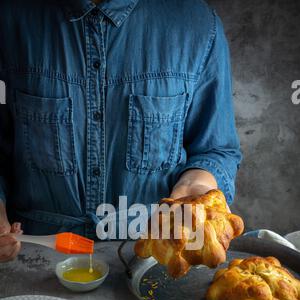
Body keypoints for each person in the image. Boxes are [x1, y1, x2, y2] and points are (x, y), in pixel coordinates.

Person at [0, 0, 242, 262]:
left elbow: (216, 149)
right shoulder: (8, 20)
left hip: (152, 256)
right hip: (34, 257)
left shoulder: (198, 26)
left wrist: (198, 183)